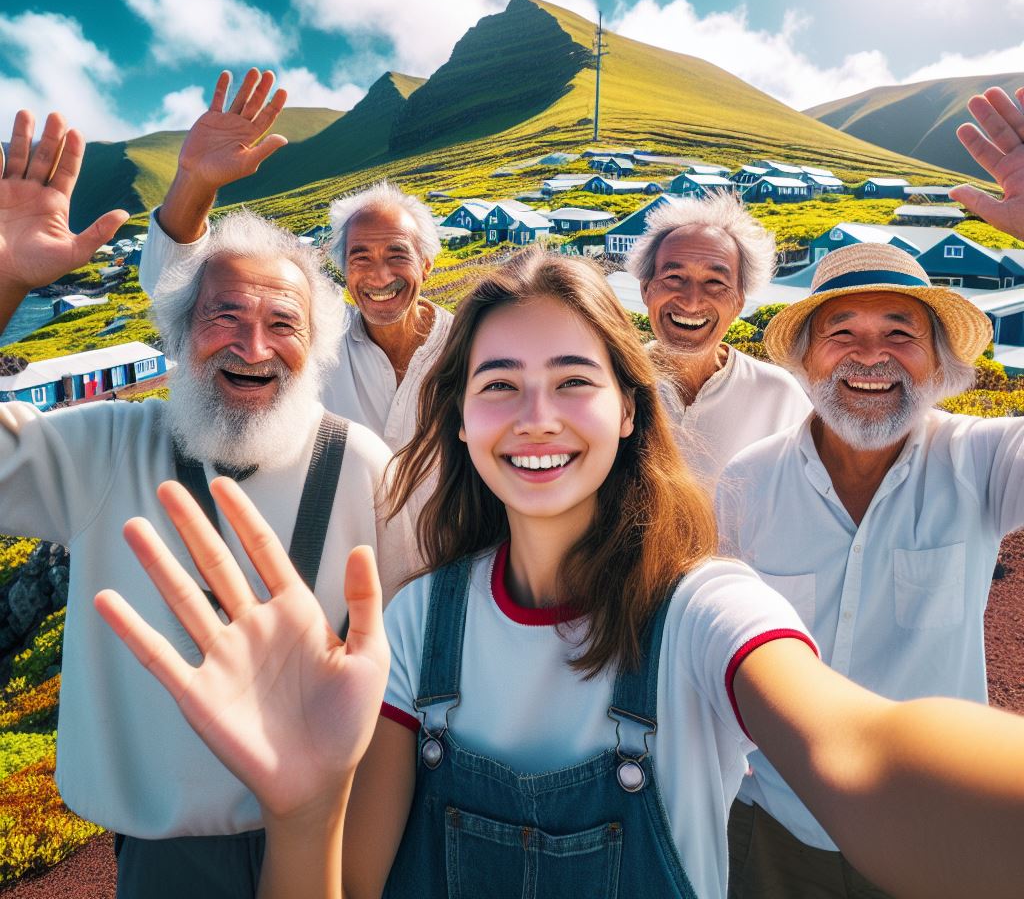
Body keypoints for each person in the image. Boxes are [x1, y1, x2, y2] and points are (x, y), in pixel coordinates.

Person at [102, 248, 1024, 899]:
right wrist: (301, 811)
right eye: (499, 383)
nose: (536, 415)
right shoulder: (418, 624)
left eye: (574, 380)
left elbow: (859, 752)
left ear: (629, 411)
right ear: (461, 419)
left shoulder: (706, 606)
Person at [0, 109, 411, 899]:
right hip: (171, 854)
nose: (253, 347)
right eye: (224, 316)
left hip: (339, 833)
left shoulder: (363, 465)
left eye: (282, 324)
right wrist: (8, 279)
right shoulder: (105, 448)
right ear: (181, 335)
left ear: (318, 348)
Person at [713, 237, 1018, 897]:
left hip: (935, 832)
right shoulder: (748, 480)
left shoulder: (986, 461)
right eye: (841, 331)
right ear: (806, 356)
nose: (871, 353)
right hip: (775, 828)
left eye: (899, 332)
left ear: (939, 356)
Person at [137, 70, 453, 462]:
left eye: (397, 255)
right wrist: (194, 182)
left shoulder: (469, 345)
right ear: (343, 270)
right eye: (360, 258)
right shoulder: (320, 339)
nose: (379, 275)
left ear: (426, 265)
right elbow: (172, 281)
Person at [626, 193, 810, 485]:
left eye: (715, 282)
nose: (691, 301)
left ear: (738, 302)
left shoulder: (779, 395)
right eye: (674, 277)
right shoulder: (615, 383)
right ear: (646, 289)